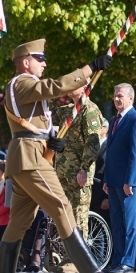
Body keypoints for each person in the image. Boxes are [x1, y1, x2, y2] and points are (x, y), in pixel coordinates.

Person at [0, 39, 122, 273]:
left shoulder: (26, 89)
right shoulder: (22, 82)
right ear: (26, 61)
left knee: (19, 222)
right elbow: (55, 86)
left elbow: (34, 124)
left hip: (30, 153)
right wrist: (89, 68)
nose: (44, 63)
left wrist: (53, 140)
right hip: (30, 158)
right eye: (40, 59)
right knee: (62, 206)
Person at [102, 83, 136, 273]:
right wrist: (106, 178)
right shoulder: (114, 121)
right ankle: (117, 259)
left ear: (130, 98)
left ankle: (128, 261)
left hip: (128, 182)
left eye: (120, 96)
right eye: (115, 96)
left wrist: (129, 180)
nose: (117, 99)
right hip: (112, 180)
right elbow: (110, 152)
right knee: (117, 223)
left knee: (130, 223)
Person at [52, 85, 103, 239]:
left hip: (78, 174)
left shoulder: (89, 110)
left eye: (75, 84)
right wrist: (54, 92)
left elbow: (93, 142)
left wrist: (84, 169)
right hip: (63, 173)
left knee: (78, 219)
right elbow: (45, 116)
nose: (70, 86)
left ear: (85, 88)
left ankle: (80, 260)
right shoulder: (67, 110)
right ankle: (67, 257)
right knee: (64, 218)